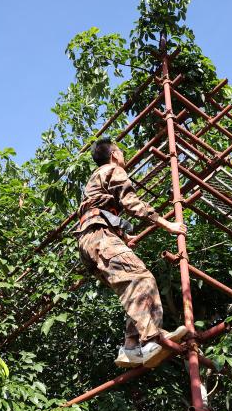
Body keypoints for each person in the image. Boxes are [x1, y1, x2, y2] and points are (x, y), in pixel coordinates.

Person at [75, 138, 188, 366]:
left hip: (89, 242)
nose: (123, 157)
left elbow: (99, 211)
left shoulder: (94, 181)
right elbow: (132, 202)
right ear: (114, 155)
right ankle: (152, 340)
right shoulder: (112, 170)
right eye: (121, 152)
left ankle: (130, 347)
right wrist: (167, 225)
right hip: (100, 237)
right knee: (142, 278)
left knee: (132, 289)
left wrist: (123, 237)